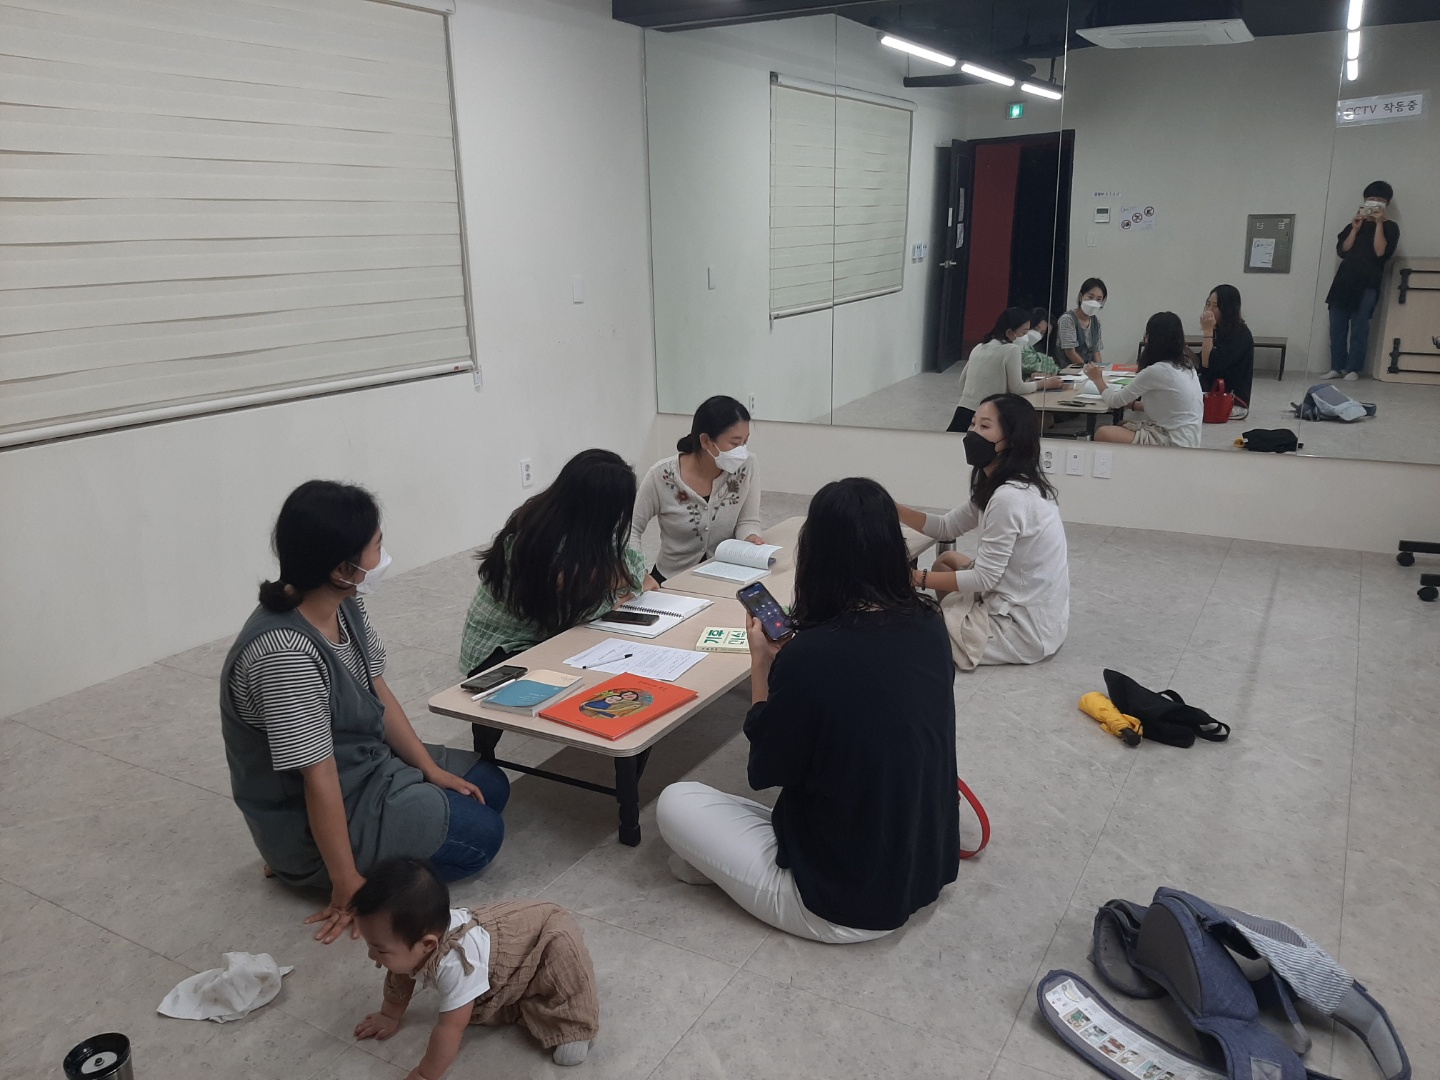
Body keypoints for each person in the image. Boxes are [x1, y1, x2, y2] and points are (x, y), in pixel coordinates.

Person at [655, 478, 959, 943]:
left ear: (817, 554)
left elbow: (766, 770)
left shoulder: (812, 654)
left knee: (676, 802)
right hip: (922, 867)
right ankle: (723, 868)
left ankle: (726, 873)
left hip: (842, 905)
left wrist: (762, 664)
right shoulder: (929, 624)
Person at [219, 481, 510, 946]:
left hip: (362, 766)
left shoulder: (342, 603)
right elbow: (318, 776)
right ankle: (307, 866)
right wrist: (345, 882)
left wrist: (429, 769)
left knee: (491, 784)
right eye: (376, 546)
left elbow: (377, 688)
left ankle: (399, 813)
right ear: (341, 568)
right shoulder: (284, 654)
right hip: (318, 804)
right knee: (483, 838)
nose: (382, 556)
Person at [460, 449, 645, 751]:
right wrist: (613, 585)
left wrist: (608, 582)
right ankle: (483, 755)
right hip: (503, 643)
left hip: (553, 631)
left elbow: (635, 567)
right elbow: (580, 609)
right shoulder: (537, 538)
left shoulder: (589, 530)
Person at [352, 857, 599, 1071]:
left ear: (427, 945)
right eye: (370, 945)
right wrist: (389, 1015)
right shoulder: (418, 941)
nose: (372, 956)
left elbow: (450, 1030)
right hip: (512, 945)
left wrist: (425, 1074)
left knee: (565, 974)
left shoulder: (456, 963)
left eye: (379, 949)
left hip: (548, 934)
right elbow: (400, 976)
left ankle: (575, 1028)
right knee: (487, 1000)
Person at [896, 394, 1069, 667]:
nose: (973, 433)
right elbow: (946, 527)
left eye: (985, 426)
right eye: (973, 424)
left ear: (1011, 440)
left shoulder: (1009, 498)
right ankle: (955, 621)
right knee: (946, 561)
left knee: (908, 633)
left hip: (1023, 629)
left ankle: (960, 628)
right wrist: (892, 507)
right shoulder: (1003, 483)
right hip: (1032, 608)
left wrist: (913, 578)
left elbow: (984, 578)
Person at [631, 395, 762, 589]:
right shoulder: (662, 476)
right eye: (734, 443)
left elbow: (747, 521)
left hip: (724, 576)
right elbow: (631, 528)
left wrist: (750, 539)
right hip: (671, 578)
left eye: (745, 442)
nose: (741, 452)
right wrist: (638, 574)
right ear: (706, 441)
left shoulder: (747, 466)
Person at [1087, 312, 1203, 447]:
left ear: (1150, 338)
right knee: (1122, 424)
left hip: (1172, 440)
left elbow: (1114, 401)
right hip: (1189, 439)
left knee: (1103, 433)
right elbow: (1170, 407)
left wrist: (1097, 379)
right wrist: (1132, 404)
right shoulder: (1187, 365)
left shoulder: (1157, 371)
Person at [1324, 181, 1399, 381]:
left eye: (1380, 200)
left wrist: (1379, 223)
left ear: (1386, 203)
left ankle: (1353, 369)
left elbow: (1380, 252)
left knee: (1360, 327)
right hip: (1343, 282)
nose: (1375, 202)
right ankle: (1337, 367)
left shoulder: (1390, 227)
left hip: (1368, 283)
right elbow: (1343, 250)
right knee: (1336, 327)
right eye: (1371, 199)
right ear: (1365, 200)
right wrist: (1355, 229)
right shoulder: (1352, 225)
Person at [947, 307, 1064, 432]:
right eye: (1024, 333)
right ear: (1010, 332)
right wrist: (1044, 384)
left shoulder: (979, 347)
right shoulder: (1012, 349)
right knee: (1043, 421)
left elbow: (962, 383)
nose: (1026, 337)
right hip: (990, 414)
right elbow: (1017, 388)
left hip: (963, 411)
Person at [1197, 284, 1254, 419]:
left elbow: (1208, 363)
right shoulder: (1220, 330)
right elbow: (1201, 361)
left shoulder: (1240, 334)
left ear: (1227, 308)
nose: (1209, 310)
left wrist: (1207, 331)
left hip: (1232, 401)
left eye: (1215, 306)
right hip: (1213, 393)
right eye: (1208, 304)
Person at [1056, 278, 1107, 369]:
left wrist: (1099, 370)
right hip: (1069, 370)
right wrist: (1086, 369)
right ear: (1081, 297)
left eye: (1098, 299)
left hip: (1088, 370)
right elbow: (1070, 352)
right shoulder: (1067, 319)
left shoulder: (1096, 322)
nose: (1094, 302)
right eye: (1090, 297)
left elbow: (1096, 352)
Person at [1019, 307, 1061, 378]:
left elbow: (1055, 366)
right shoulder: (1015, 344)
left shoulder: (1040, 347)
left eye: (1042, 333)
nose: (1037, 334)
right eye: (1035, 329)